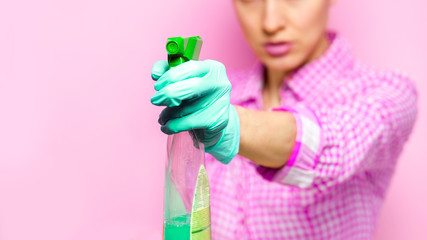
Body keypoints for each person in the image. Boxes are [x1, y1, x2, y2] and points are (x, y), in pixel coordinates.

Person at [150, 0, 417, 239]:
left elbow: (333, 141)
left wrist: (234, 125)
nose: (270, 23)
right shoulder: (217, 93)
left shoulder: (386, 96)